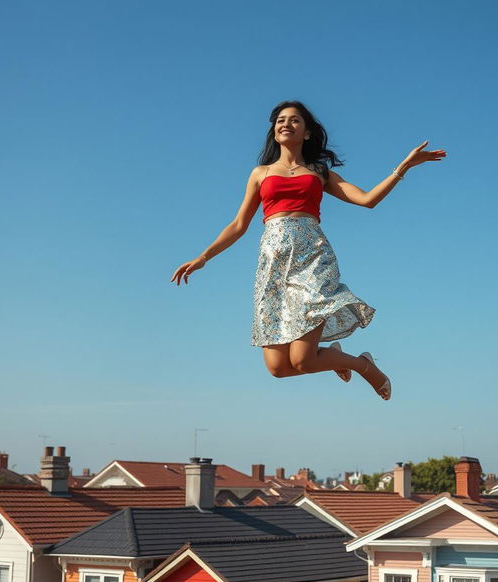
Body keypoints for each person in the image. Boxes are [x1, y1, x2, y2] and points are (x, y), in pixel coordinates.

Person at [171, 101, 446, 400]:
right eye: (280, 121)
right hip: (273, 265)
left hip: (312, 258)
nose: (285, 124)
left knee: (302, 360)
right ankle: (335, 359)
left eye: (294, 120)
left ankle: (363, 365)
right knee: (278, 368)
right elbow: (239, 224)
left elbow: (367, 200)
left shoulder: (318, 172)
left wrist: (403, 167)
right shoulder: (260, 173)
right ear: (274, 132)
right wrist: (203, 257)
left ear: (306, 133)